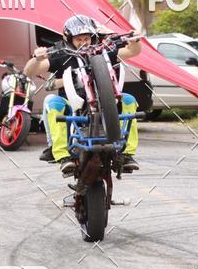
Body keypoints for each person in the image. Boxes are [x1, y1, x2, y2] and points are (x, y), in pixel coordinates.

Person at [24, 15, 141, 175]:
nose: (83, 42)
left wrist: (135, 41)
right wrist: (37, 59)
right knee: (52, 101)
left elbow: (131, 51)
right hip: (71, 103)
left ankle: (127, 154)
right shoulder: (62, 55)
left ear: (93, 37)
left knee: (129, 99)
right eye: (78, 39)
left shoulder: (103, 51)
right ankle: (62, 155)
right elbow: (30, 71)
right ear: (69, 39)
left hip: (105, 102)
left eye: (86, 38)